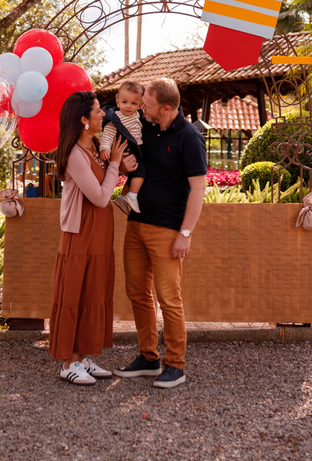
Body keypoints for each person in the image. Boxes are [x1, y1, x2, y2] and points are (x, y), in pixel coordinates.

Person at [114, 78, 207, 390]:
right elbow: (138, 165)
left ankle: (176, 365)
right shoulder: (146, 126)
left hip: (168, 230)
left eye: (148, 105)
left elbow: (198, 189)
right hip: (136, 225)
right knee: (137, 293)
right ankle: (148, 357)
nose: (142, 108)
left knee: (169, 298)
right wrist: (124, 166)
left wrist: (186, 233)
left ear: (167, 109)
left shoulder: (189, 137)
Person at [48, 91, 127, 386]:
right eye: (97, 111)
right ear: (83, 120)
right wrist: (116, 165)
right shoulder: (74, 155)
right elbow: (101, 196)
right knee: (76, 295)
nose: (103, 115)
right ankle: (69, 363)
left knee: (94, 292)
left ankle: (83, 357)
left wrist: (120, 163)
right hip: (81, 233)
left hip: (99, 232)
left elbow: (106, 181)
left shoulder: (95, 145)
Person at [100, 79, 145, 214]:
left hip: (137, 149)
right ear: (118, 102)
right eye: (124, 102)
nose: (128, 106)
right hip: (127, 148)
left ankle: (122, 197)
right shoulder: (116, 119)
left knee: (135, 174)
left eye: (133, 103)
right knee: (141, 171)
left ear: (139, 105)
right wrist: (105, 148)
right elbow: (108, 134)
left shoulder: (138, 115)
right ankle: (132, 196)